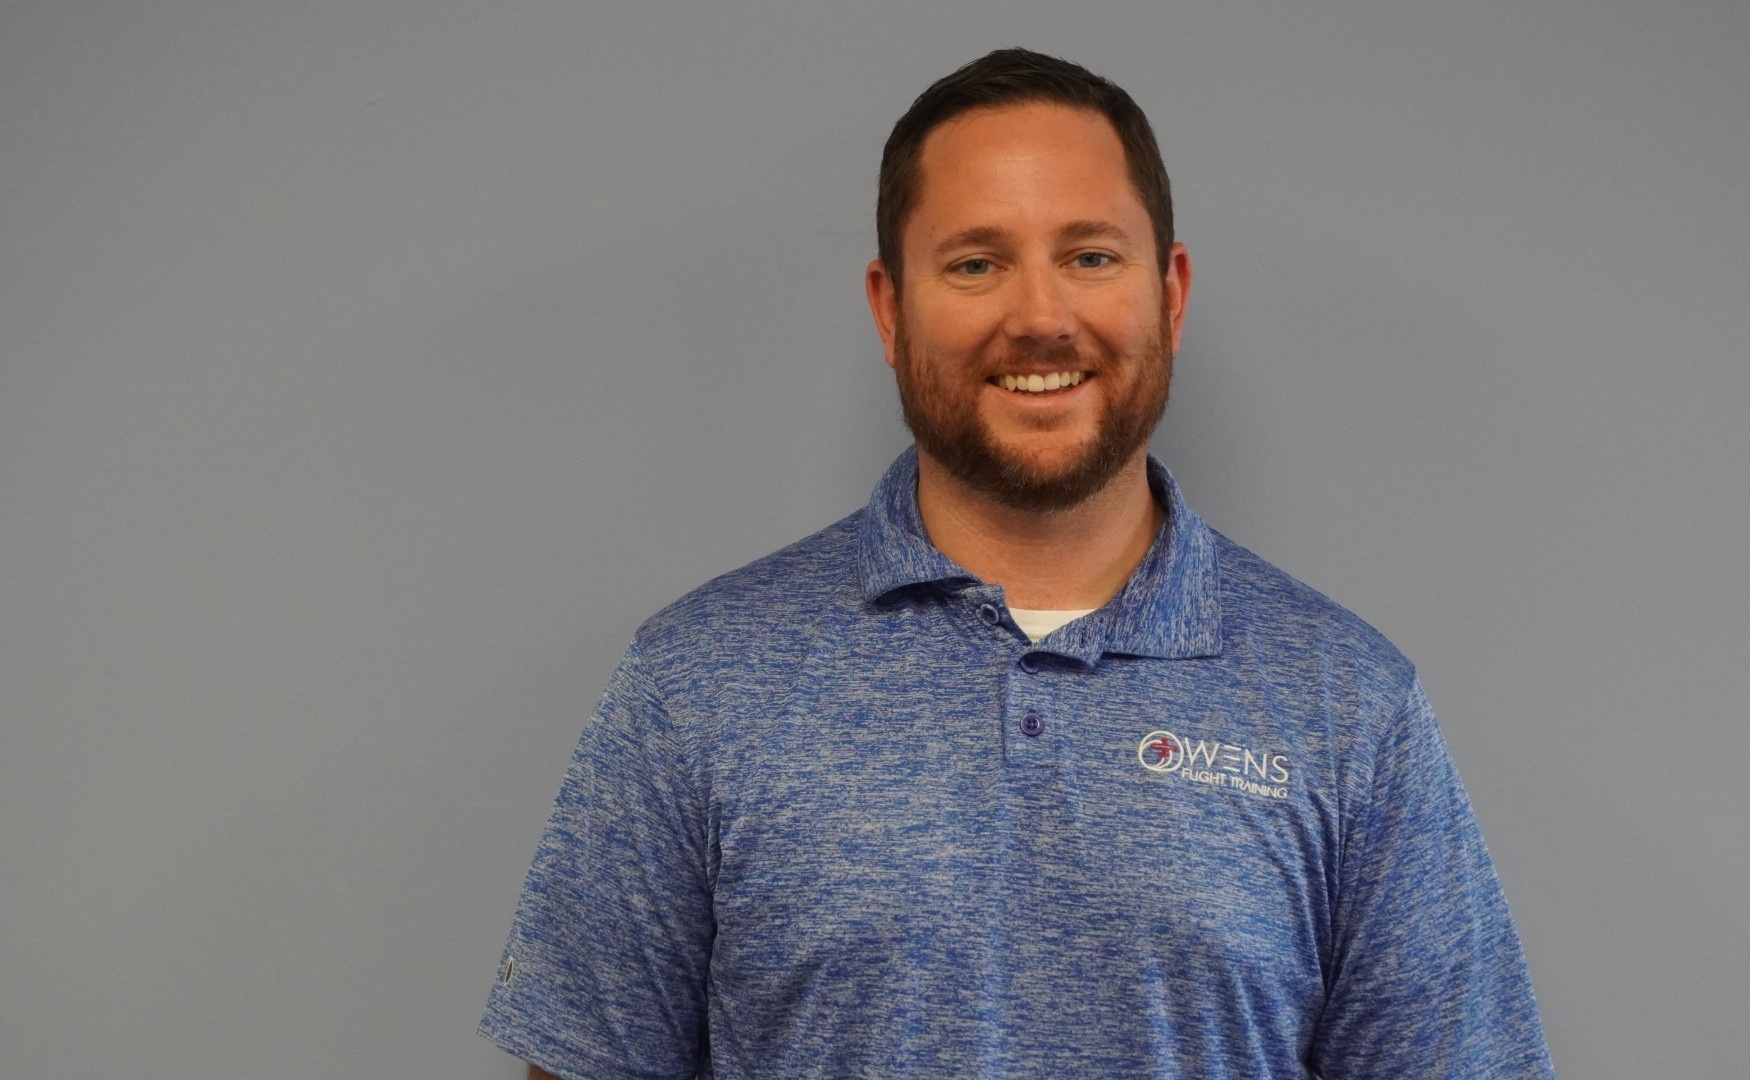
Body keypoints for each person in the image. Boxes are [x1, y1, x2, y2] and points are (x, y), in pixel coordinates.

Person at [480, 48, 1555, 1079]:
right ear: (890, 309)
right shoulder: (698, 683)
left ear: (1171, 293)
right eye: (975, 264)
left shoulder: (1346, 704)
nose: (1041, 317)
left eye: (1090, 257)